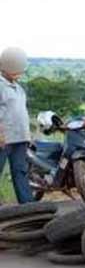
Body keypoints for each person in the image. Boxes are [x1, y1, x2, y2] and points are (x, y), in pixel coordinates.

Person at [0, 47, 33, 204]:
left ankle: (28, 206)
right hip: (4, 138)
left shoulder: (19, 88)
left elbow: (21, 114)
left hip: (20, 138)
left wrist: (28, 136)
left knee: (20, 172)